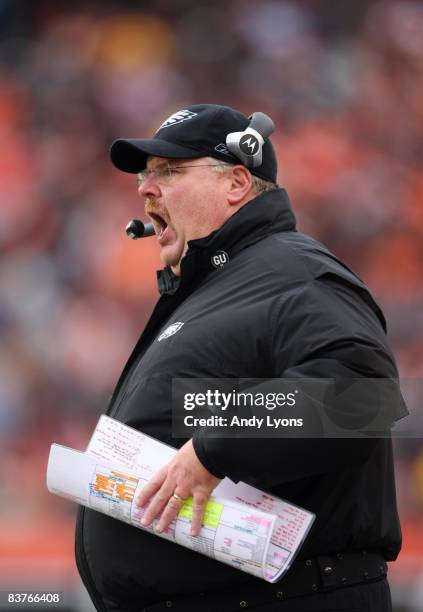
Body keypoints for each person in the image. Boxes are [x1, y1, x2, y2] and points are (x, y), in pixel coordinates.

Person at [75, 104, 402, 612]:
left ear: (236, 183)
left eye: (168, 171)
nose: (145, 188)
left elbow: (360, 400)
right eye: (145, 174)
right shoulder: (222, 288)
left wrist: (216, 450)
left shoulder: (292, 270)